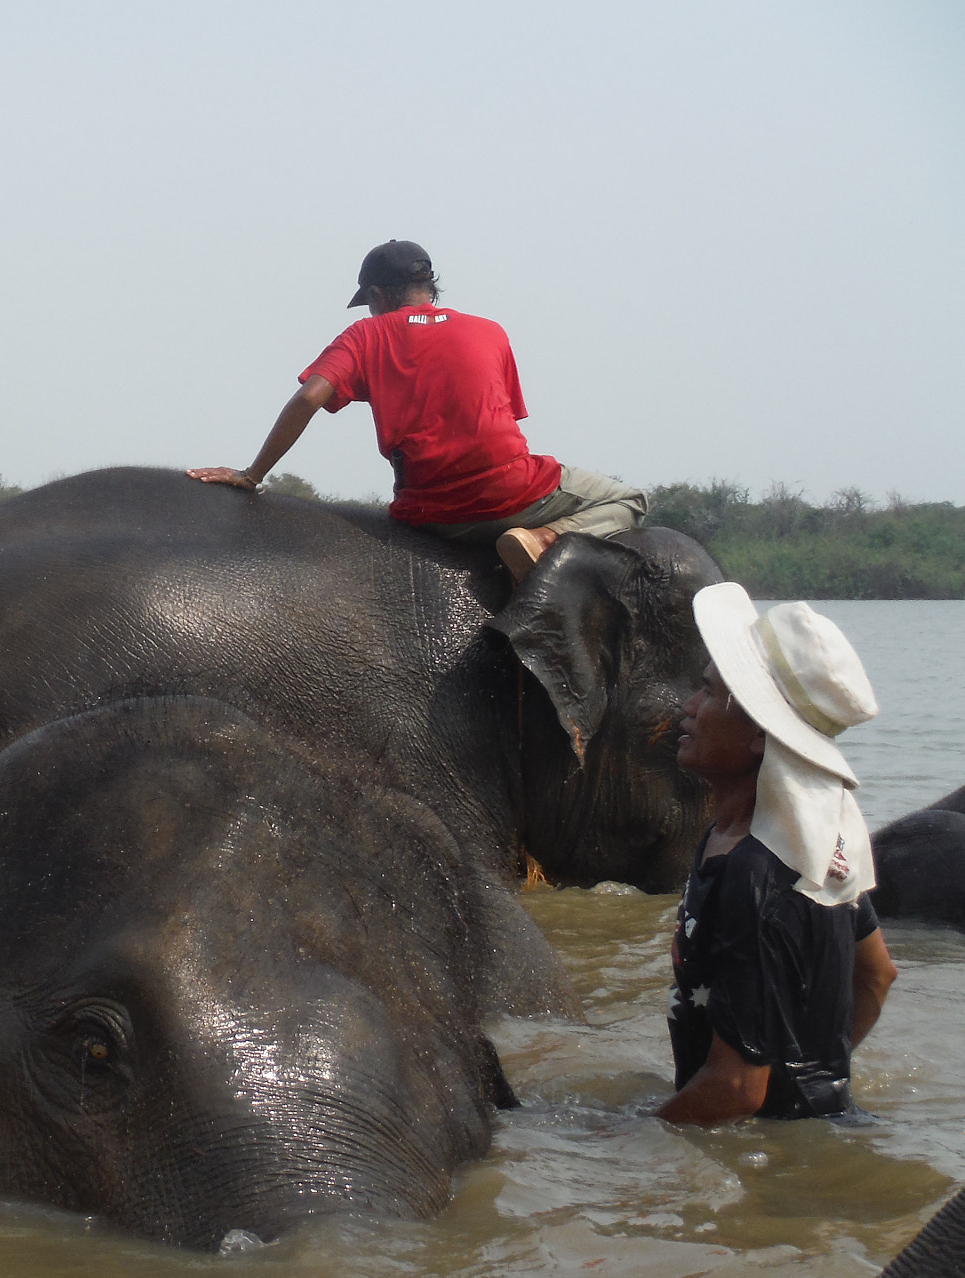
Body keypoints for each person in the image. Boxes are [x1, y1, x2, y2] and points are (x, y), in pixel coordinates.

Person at [189, 239, 648, 581]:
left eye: (368, 303)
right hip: (512, 494)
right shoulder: (490, 331)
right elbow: (501, 420)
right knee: (630, 499)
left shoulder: (365, 336)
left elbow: (309, 397)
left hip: (429, 512)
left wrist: (253, 474)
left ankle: (535, 540)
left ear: (379, 295)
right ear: (428, 287)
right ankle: (543, 539)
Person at [659, 583, 898, 1126]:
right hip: (815, 1130)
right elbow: (877, 976)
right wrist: (810, 1080)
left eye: (706, 693)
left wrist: (625, 1144)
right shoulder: (818, 837)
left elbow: (738, 1089)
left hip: (756, 1148)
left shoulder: (753, 874)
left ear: (759, 738)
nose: (687, 708)